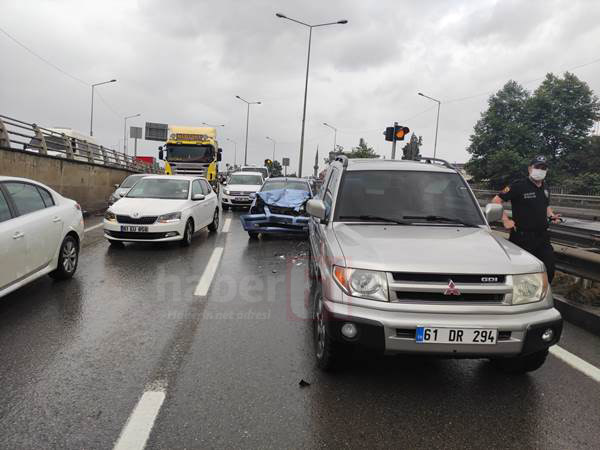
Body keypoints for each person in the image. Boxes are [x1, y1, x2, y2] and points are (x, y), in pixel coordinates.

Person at [492, 155, 561, 282]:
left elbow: (545, 205)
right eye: (537, 167)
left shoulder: (546, 187)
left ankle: (543, 296)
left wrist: (551, 215)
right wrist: (505, 220)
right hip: (522, 237)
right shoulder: (518, 185)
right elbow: (496, 201)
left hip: (543, 237)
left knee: (549, 270)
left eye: (543, 168)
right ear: (530, 168)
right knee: (522, 275)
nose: (540, 170)